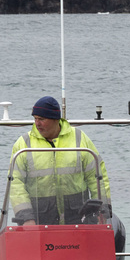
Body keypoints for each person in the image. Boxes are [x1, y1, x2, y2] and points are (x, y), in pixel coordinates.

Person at [9, 96, 112, 226]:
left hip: (78, 218)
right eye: (35, 119)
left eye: (41, 119)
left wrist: (103, 211)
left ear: (56, 119)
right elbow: (15, 183)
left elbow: (97, 177)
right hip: (38, 221)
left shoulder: (80, 138)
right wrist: (26, 217)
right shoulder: (23, 143)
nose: (37, 123)